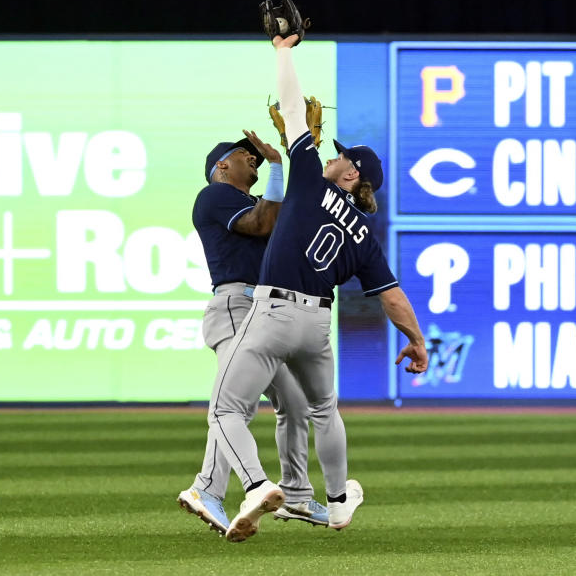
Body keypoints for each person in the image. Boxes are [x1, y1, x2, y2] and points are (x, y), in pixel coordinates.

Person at [208, 34, 429, 543]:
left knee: (225, 409)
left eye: (341, 157)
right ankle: (334, 501)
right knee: (323, 410)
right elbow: (392, 297)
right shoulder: (365, 233)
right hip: (316, 324)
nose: (331, 156)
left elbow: (289, 102)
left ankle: (258, 486)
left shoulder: (309, 179)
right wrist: (415, 341)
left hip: (272, 312)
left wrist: (284, 52)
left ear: (350, 173)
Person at [177, 130, 330, 536]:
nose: (254, 159)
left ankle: (290, 495)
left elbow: (287, 219)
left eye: (258, 158)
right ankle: (253, 486)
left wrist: (304, 159)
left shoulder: (261, 202)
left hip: (263, 309)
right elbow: (262, 224)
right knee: (233, 406)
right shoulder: (214, 195)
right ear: (221, 166)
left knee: (295, 404)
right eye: (245, 155)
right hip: (235, 306)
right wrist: (278, 165)